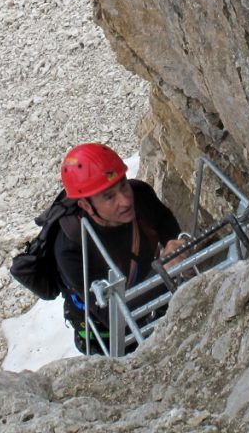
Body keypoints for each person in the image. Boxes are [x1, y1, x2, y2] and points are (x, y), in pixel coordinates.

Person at [53, 142, 186, 354]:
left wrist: (178, 250)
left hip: (154, 305)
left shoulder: (141, 195)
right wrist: (165, 273)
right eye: (108, 196)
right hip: (106, 339)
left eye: (123, 184)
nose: (125, 200)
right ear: (86, 206)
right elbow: (112, 318)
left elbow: (172, 232)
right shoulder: (72, 248)